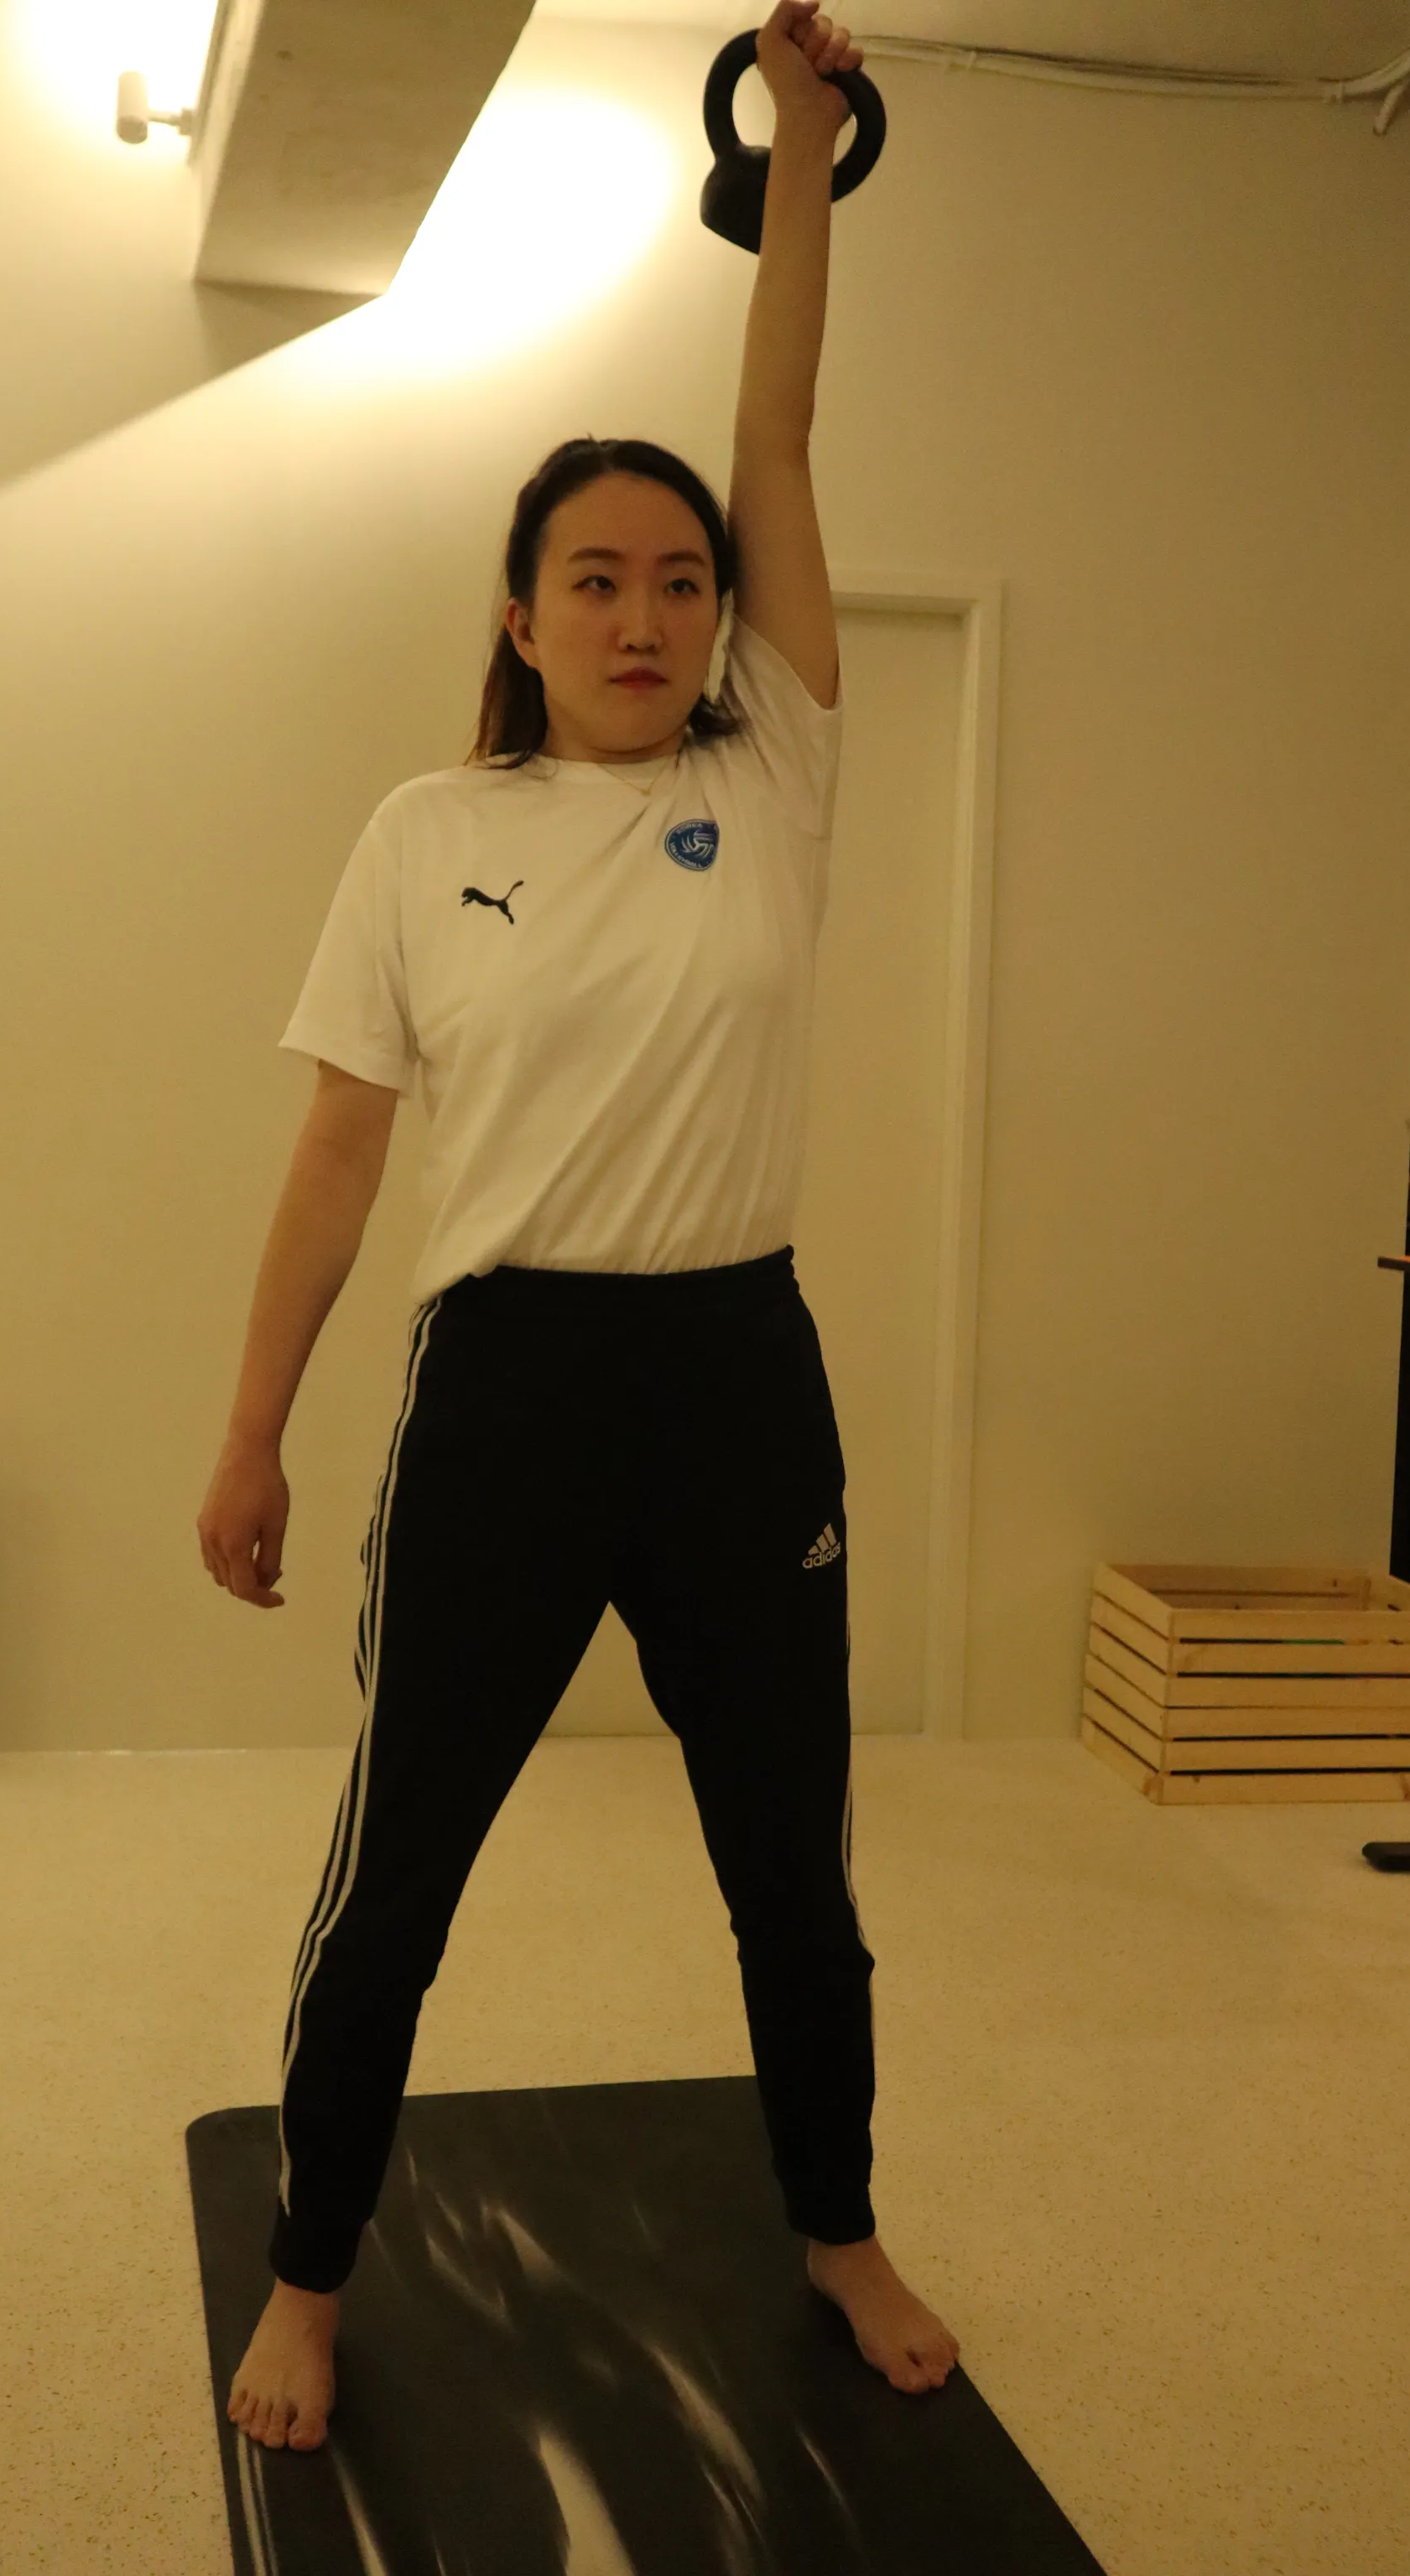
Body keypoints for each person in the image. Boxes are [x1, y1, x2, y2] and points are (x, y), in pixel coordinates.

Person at [197, 0, 960, 2457]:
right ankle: (312, 2272)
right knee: (397, 1867)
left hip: (739, 1379)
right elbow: (339, 1155)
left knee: (792, 1868)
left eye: (679, 584)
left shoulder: (782, 774)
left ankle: (836, 2222)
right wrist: (252, 1435)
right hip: (506, 1389)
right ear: (521, 615)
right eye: (595, 580)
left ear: (722, 621)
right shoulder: (428, 837)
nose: (645, 614)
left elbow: (779, 431)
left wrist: (803, 155)